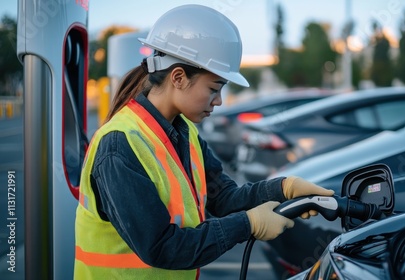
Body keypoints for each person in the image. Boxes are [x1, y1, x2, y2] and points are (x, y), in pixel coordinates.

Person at [74, 4, 333, 279]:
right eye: (213, 88)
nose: (219, 101)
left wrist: (283, 189)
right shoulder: (119, 145)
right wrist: (248, 224)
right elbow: (162, 247)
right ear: (178, 77)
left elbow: (224, 199)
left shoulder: (185, 132)